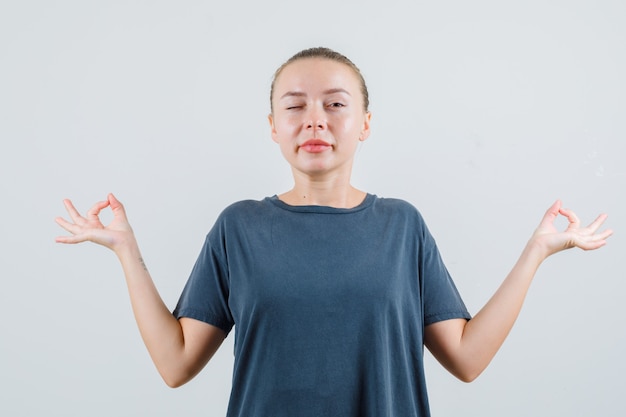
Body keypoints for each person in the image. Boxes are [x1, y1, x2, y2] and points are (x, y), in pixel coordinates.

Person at [55, 47, 613, 417]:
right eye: (294, 106)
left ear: (365, 123)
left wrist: (536, 252)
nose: (315, 120)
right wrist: (127, 251)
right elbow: (176, 363)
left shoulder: (402, 226)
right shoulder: (239, 228)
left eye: (335, 105)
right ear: (273, 127)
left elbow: (465, 358)